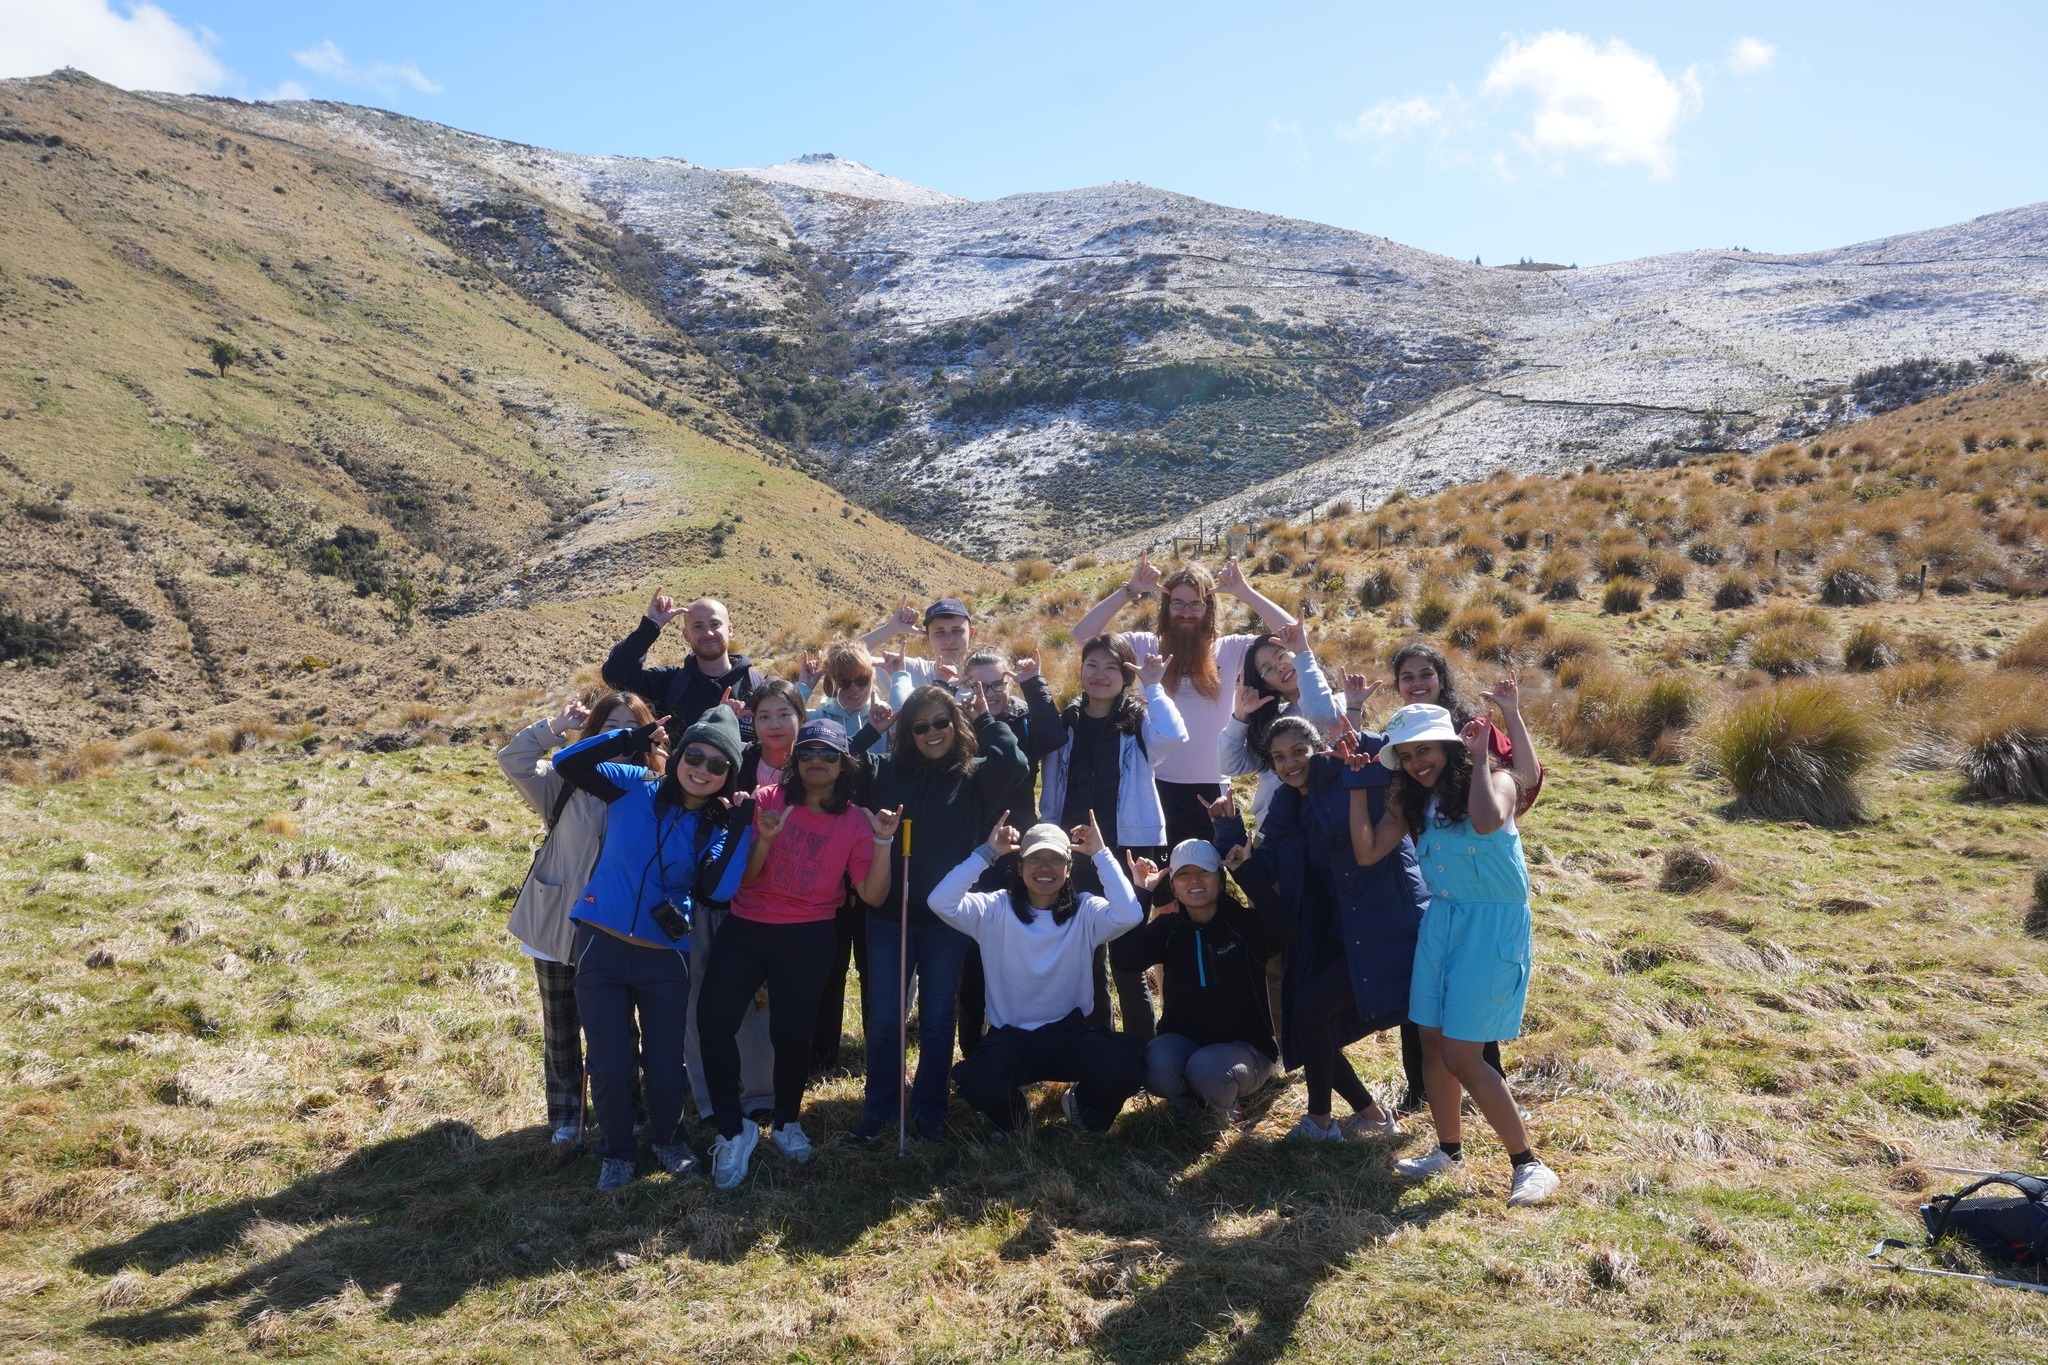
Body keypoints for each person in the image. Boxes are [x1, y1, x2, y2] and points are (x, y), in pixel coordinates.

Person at [1349, 703, 1560, 1207]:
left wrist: (1481, 754)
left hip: (1492, 926)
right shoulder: (1412, 803)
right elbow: (1368, 850)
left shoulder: (1498, 781)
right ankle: (1448, 1151)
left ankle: (1528, 1164)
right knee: (1431, 1042)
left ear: (1447, 746)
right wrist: (1354, 785)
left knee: (1465, 1055)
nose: (1417, 762)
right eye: (1406, 754)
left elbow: (1487, 823)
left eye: (1425, 749)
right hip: (1442, 922)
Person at [552, 705, 754, 1191]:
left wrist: (741, 828)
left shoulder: (714, 825)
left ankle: (668, 1140)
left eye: (717, 765)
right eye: (696, 756)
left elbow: (719, 891)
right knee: (610, 1062)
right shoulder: (632, 783)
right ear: (680, 753)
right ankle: (617, 1153)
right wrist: (626, 736)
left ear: (727, 775)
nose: (702, 769)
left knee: (665, 1065)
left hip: (665, 957)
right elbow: (568, 765)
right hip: (600, 945)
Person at [696, 719, 902, 1188]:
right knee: (712, 1021)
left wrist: (885, 840)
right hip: (746, 926)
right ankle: (734, 1127)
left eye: (828, 755)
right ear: (795, 759)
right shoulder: (767, 800)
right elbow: (745, 880)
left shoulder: (854, 821)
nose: (816, 761)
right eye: (808, 751)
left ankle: (787, 1121)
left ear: (843, 764)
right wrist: (765, 839)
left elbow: (871, 896)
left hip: (808, 936)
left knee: (792, 1036)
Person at [1220, 716, 1417, 1143]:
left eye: (1297, 752)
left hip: (1384, 924)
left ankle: (1321, 1121)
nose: (1289, 764)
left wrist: (1360, 736)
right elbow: (1266, 864)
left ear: (1316, 749)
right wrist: (1228, 833)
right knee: (1308, 1016)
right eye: (1278, 758)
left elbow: (1395, 760)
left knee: (1310, 1011)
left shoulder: (1353, 775)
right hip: (1338, 930)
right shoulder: (1290, 807)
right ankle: (1369, 1115)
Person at [1363, 645, 1541, 1112]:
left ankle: (1487, 1086)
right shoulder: (1397, 738)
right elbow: (1381, 784)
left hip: (1486, 884)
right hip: (1437, 883)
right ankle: (1429, 1096)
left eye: (1426, 673)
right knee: (1428, 1007)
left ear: (1442, 677)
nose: (1416, 682)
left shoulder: (1470, 729)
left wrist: (1509, 717)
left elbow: (1522, 779)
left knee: (1469, 1009)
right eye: (1406, 676)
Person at [847, 683, 1027, 1142]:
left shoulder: (973, 773)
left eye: (942, 723)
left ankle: (929, 1107)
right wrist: (871, 730)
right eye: (920, 726)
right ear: (907, 731)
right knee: (885, 1017)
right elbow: (841, 765)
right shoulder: (885, 770)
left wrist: (986, 716)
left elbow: (1016, 762)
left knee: (936, 1016)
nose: (932, 733)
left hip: (948, 921)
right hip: (890, 917)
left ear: (956, 725)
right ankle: (881, 1105)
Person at [497, 688, 654, 1145]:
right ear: (593, 733)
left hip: (619, 927)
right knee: (561, 1023)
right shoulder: (562, 779)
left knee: (620, 1025)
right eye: (611, 729)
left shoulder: (651, 783)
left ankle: (628, 1107)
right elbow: (513, 760)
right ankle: (567, 1116)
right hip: (556, 921)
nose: (622, 737)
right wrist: (554, 728)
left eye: (630, 728)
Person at [932, 813, 1146, 1135]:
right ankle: (1015, 1121)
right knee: (979, 1084)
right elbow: (941, 902)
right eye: (1034, 859)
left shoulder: (1086, 911)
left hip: (1070, 1033)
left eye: (1054, 860)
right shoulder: (994, 909)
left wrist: (1101, 854)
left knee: (1126, 1070)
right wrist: (986, 853)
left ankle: (1082, 1107)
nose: (1044, 868)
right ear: (1020, 867)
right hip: (1011, 1037)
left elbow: (1130, 913)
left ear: (1068, 869)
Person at [1071, 553, 1298, 847]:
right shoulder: (1144, 646)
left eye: (1196, 604)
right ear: (1166, 608)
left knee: (1209, 875)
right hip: (1148, 784)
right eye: (1178, 604)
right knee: (1154, 877)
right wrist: (1131, 589)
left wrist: (1244, 592)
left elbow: (1292, 635)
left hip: (1212, 786)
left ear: (1209, 609)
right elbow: (1082, 636)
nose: (1186, 612)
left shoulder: (1231, 650)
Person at [1037, 633, 1187, 1041]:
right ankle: (1097, 1044)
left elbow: (1175, 735)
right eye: (1092, 665)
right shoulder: (1065, 722)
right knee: (1084, 950)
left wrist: (1154, 684)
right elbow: (1050, 780)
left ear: (1126, 675)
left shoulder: (1139, 723)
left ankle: (1141, 1048)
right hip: (1071, 848)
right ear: (1080, 670)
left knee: (1127, 952)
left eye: (1112, 668)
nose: (1100, 675)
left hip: (1129, 848)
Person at [1111, 838, 1294, 1125]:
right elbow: (1125, 960)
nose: (1194, 880)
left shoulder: (1245, 925)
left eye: (1204, 872)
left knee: (1206, 1068)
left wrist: (1245, 871)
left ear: (1220, 880)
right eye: (1183, 874)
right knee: (1154, 1065)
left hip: (1247, 1049)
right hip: (1184, 1042)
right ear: (1172, 886)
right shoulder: (1168, 929)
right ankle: (1190, 1106)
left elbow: (1286, 931)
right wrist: (1143, 892)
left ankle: (1222, 1108)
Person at [954, 647, 1065, 1056]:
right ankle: (972, 1052)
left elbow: (1055, 737)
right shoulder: (955, 727)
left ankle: (1021, 1047)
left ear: (1007, 683)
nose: (988, 694)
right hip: (972, 853)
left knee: (1021, 952)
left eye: (996, 684)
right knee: (972, 962)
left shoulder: (1021, 721)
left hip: (1019, 850)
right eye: (977, 686)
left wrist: (1034, 684)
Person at [793, 640, 895, 1069]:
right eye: (842, 681)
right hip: (830, 852)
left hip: (879, 848)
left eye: (861, 679)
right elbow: (784, 725)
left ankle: (881, 1051)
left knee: (875, 961)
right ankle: (821, 1056)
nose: (852, 689)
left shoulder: (891, 716)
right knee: (830, 963)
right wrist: (804, 684)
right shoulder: (819, 719)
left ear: (873, 677)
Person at [1218, 617, 1345, 823]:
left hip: (1324, 827)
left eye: (1282, 655)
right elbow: (1229, 765)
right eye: (1268, 669)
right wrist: (1240, 716)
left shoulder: (1339, 702)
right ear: (1267, 685)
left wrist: (1304, 655)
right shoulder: (1273, 725)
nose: (1280, 667)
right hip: (1273, 834)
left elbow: (1324, 722)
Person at [602, 591, 765, 734]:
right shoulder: (669, 683)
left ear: (729, 630)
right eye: (698, 626)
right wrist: (652, 625)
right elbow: (616, 674)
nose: (708, 632)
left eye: (715, 624)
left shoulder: (760, 687)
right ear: (686, 636)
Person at [862, 597, 977, 703]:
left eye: (957, 631)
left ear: (971, 634)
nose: (949, 640)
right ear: (927, 637)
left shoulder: (986, 675)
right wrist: (892, 628)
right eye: (939, 632)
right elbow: (849, 658)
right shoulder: (907, 671)